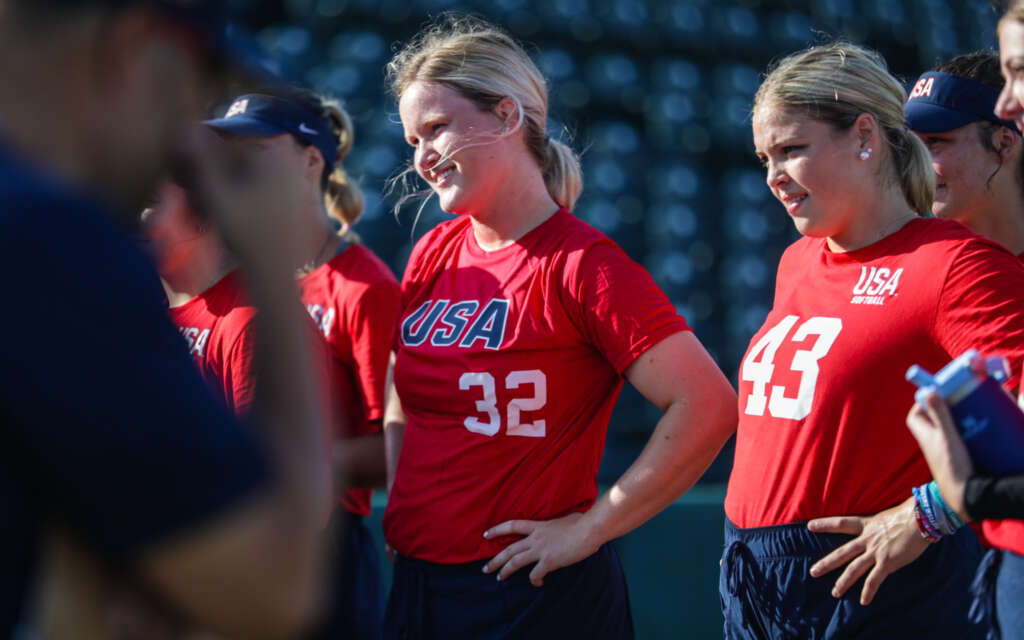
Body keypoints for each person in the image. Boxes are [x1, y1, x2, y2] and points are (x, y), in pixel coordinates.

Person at [380, 15, 738, 639]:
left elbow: (707, 404)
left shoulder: (582, 265)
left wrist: (592, 527)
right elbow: (400, 390)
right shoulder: (432, 250)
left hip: (531, 593)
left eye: (436, 129)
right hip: (420, 580)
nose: (423, 158)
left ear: (506, 117)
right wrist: (402, 509)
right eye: (414, 140)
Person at [0, 1, 335, 638]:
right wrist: (272, 260)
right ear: (131, 47)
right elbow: (272, 589)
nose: (191, 128)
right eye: (203, 78)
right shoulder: (46, 240)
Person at [722, 41, 1024, 638]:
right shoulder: (797, 260)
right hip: (751, 580)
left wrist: (933, 512)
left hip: (866, 585)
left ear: (865, 137)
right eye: (764, 157)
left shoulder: (957, 265)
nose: (773, 177)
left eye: (791, 150)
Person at [204, 89, 400, 640]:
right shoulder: (228, 274)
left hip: (325, 550)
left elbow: (396, 448)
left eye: (256, 148)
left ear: (312, 160)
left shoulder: (364, 289)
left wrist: (289, 460)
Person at [905, 53, 1024, 256]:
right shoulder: (896, 265)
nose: (914, 164)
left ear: (1004, 143)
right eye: (911, 145)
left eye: (935, 141)